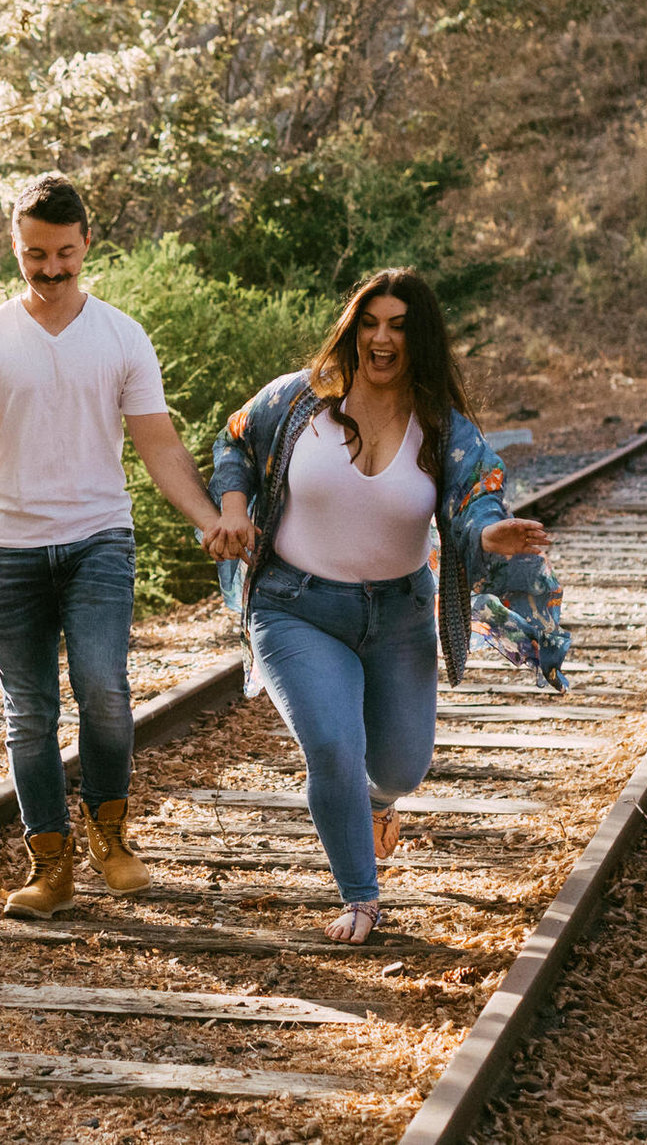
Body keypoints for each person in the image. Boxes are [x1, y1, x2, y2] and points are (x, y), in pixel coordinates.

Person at [206, 268, 552, 944]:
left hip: (397, 615)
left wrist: (489, 533)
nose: (382, 337)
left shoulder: (443, 428)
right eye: (370, 322)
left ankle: (375, 803)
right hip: (294, 607)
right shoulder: (300, 400)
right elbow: (235, 439)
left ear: (418, 338)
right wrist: (234, 508)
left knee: (400, 766)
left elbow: (473, 502)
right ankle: (361, 896)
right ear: (353, 329)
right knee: (333, 746)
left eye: (397, 324)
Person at [0, 173, 231, 918]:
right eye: (35, 254)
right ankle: (51, 864)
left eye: (64, 252)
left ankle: (111, 835)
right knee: (29, 712)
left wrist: (205, 517)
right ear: (16, 246)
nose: (50, 269)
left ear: (87, 243)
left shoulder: (121, 335)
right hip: (9, 550)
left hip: (99, 536)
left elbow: (159, 445)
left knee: (103, 687)